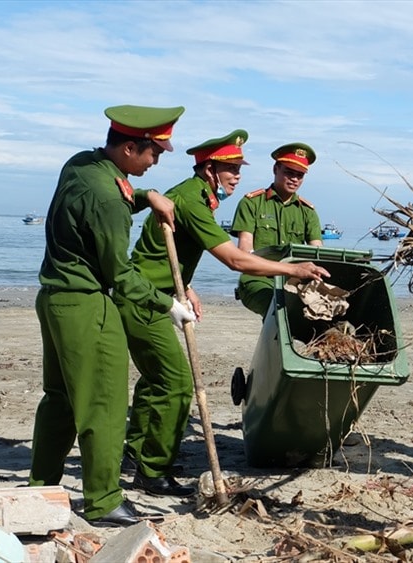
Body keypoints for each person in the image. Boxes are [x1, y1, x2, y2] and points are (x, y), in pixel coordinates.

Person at [117, 131, 330, 497]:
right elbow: (233, 259)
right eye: (231, 169)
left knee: (156, 381)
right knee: (176, 384)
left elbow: (162, 251)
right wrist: (293, 270)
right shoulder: (192, 200)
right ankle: (152, 471)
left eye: (238, 169)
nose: (237, 175)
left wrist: (184, 286)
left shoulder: (193, 195)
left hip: (159, 291)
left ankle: (135, 457)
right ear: (210, 169)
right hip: (144, 297)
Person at [30, 105, 195, 527]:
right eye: (153, 153)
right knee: (103, 404)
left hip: (53, 298)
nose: (156, 161)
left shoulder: (83, 165)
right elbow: (120, 275)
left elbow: (105, 199)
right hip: (87, 305)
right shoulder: (108, 199)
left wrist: (146, 195)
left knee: (61, 401)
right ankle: (103, 500)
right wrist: (168, 306)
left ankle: (39, 488)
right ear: (128, 148)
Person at [231, 142, 323, 317]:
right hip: (257, 278)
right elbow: (244, 252)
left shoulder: (308, 212)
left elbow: (318, 252)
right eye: (289, 172)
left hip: (295, 280)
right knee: (276, 309)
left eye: (300, 175)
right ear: (276, 169)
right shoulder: (251, 203)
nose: (294, 179)